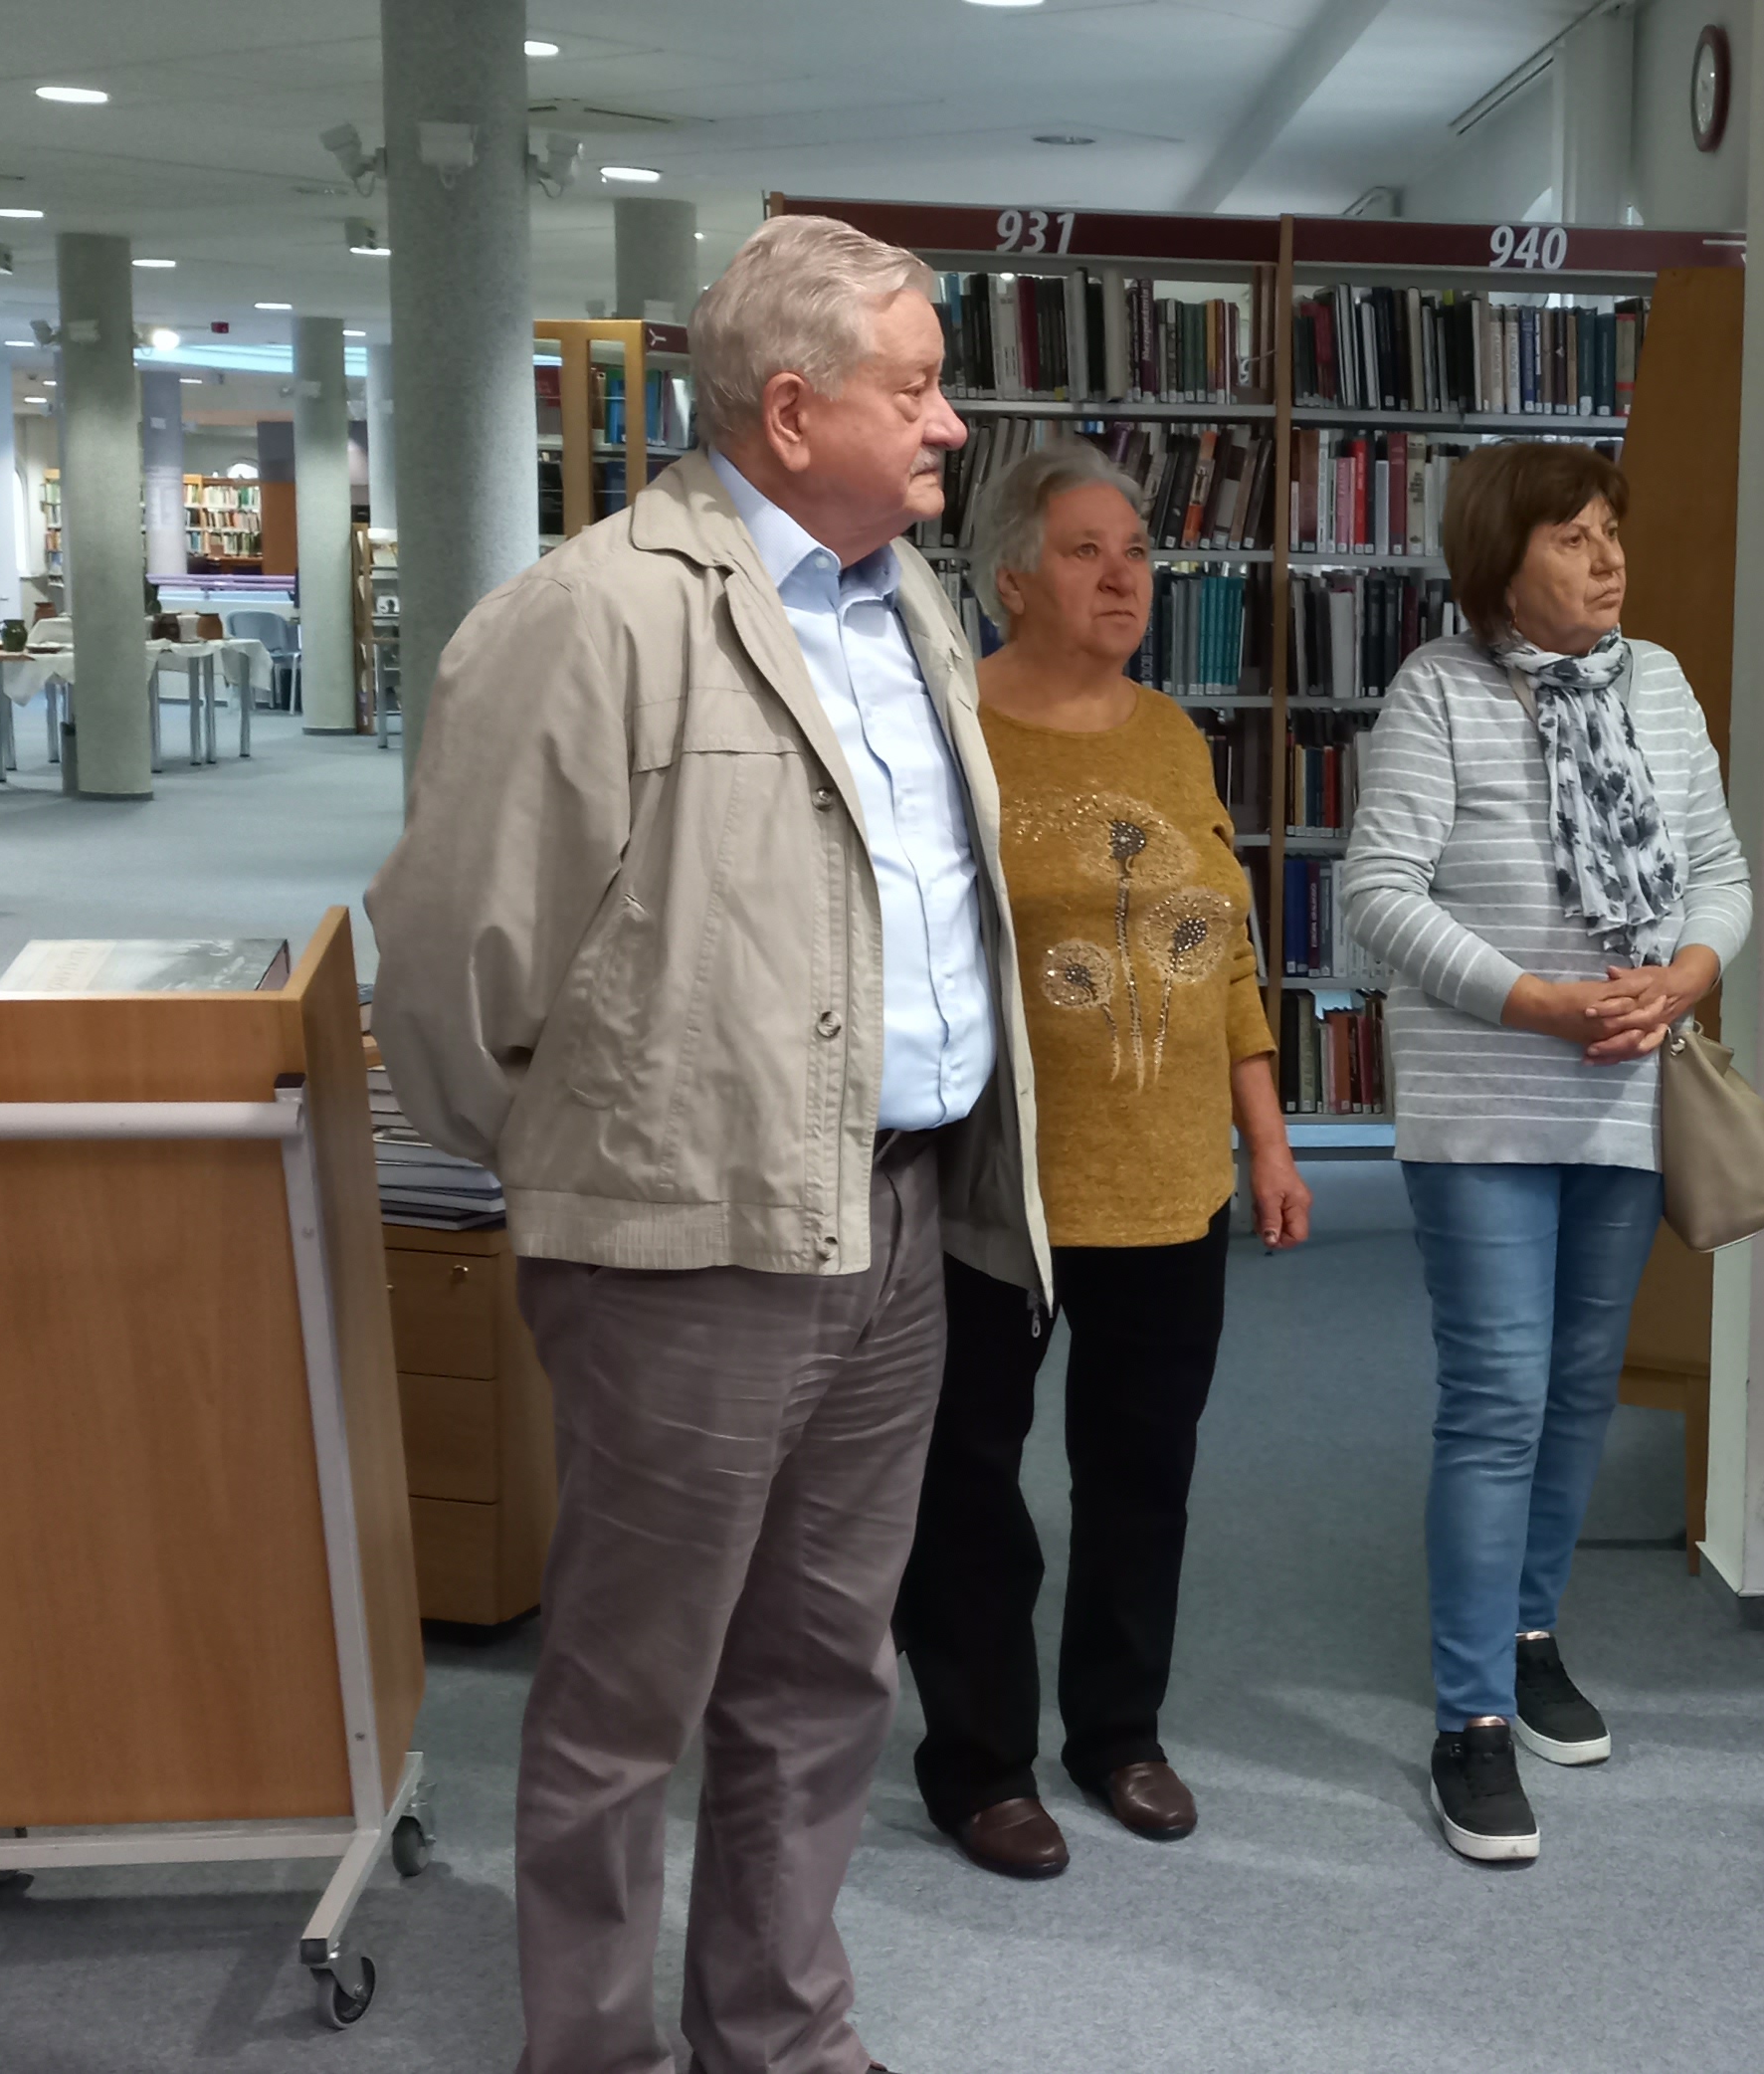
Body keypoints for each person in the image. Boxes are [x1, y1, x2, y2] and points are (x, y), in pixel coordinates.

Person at [365, 212, 1042, 2074]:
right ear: (794, 408)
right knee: (625, 1698)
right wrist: (595, 1164)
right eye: (919, 389)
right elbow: (450, 964)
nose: (953, 425)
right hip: (682, 1251)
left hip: (895, 1220)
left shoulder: (911, 602)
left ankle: (777, 2034)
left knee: (826, 1672)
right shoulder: (595, 615)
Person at [893, 442, 1313, 1882]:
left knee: (1144, 1476)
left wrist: (1267, 1138)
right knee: (969, 1481)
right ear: (1010, 576)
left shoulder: (1175, 736)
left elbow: (1230, 957)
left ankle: (1118, 1734)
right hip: (998, 1186)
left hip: (1169, 1179)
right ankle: (979, 1762)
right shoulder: (950, 732)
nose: (1124, 575)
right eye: (1085, 550)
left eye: (1135, 550)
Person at [1337, 441, 1750, 1867]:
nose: (1609, 558)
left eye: (1611, 530)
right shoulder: (1439, 689)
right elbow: (1379, 894)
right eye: (1573, 537)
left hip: (1625, 1098)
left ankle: (1526, 1638)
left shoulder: (1661, 684)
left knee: (1579, 1390)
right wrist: (1540, 1002)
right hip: (1485, 1105)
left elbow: (1720, 874)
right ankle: (1468, 1718)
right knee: (1499, 1397)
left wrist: (1685, 975)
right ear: (1500, 559)